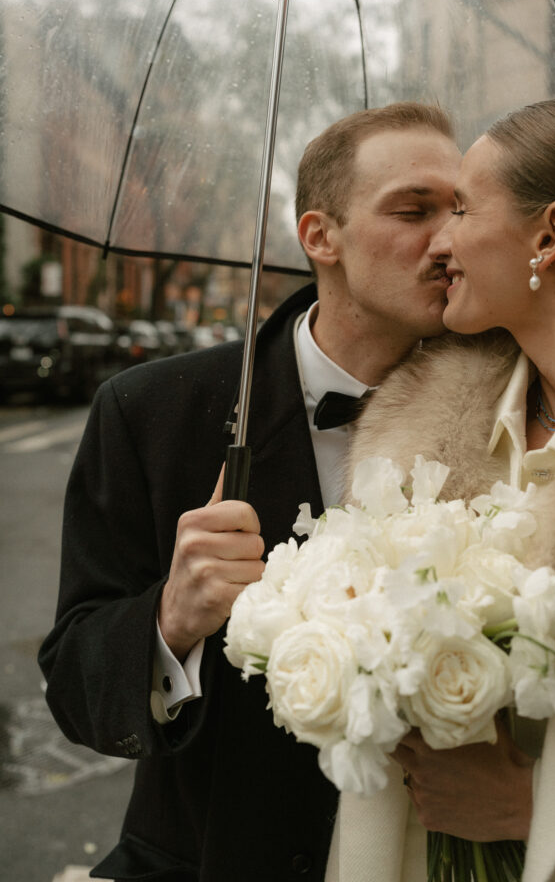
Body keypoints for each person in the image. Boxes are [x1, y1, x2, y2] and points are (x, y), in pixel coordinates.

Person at [37, 102, 463, 882]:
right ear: (318, 236)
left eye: (460, 210)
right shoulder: (149, 411)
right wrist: (170, 618)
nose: (448, 240)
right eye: (413, 210)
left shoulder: (511, 405)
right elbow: (74, 683)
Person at [343, 96, 555, 882]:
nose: (440, 243)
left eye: (464, 208)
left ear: (548, 235)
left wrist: (537, 810)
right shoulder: (412, 427)